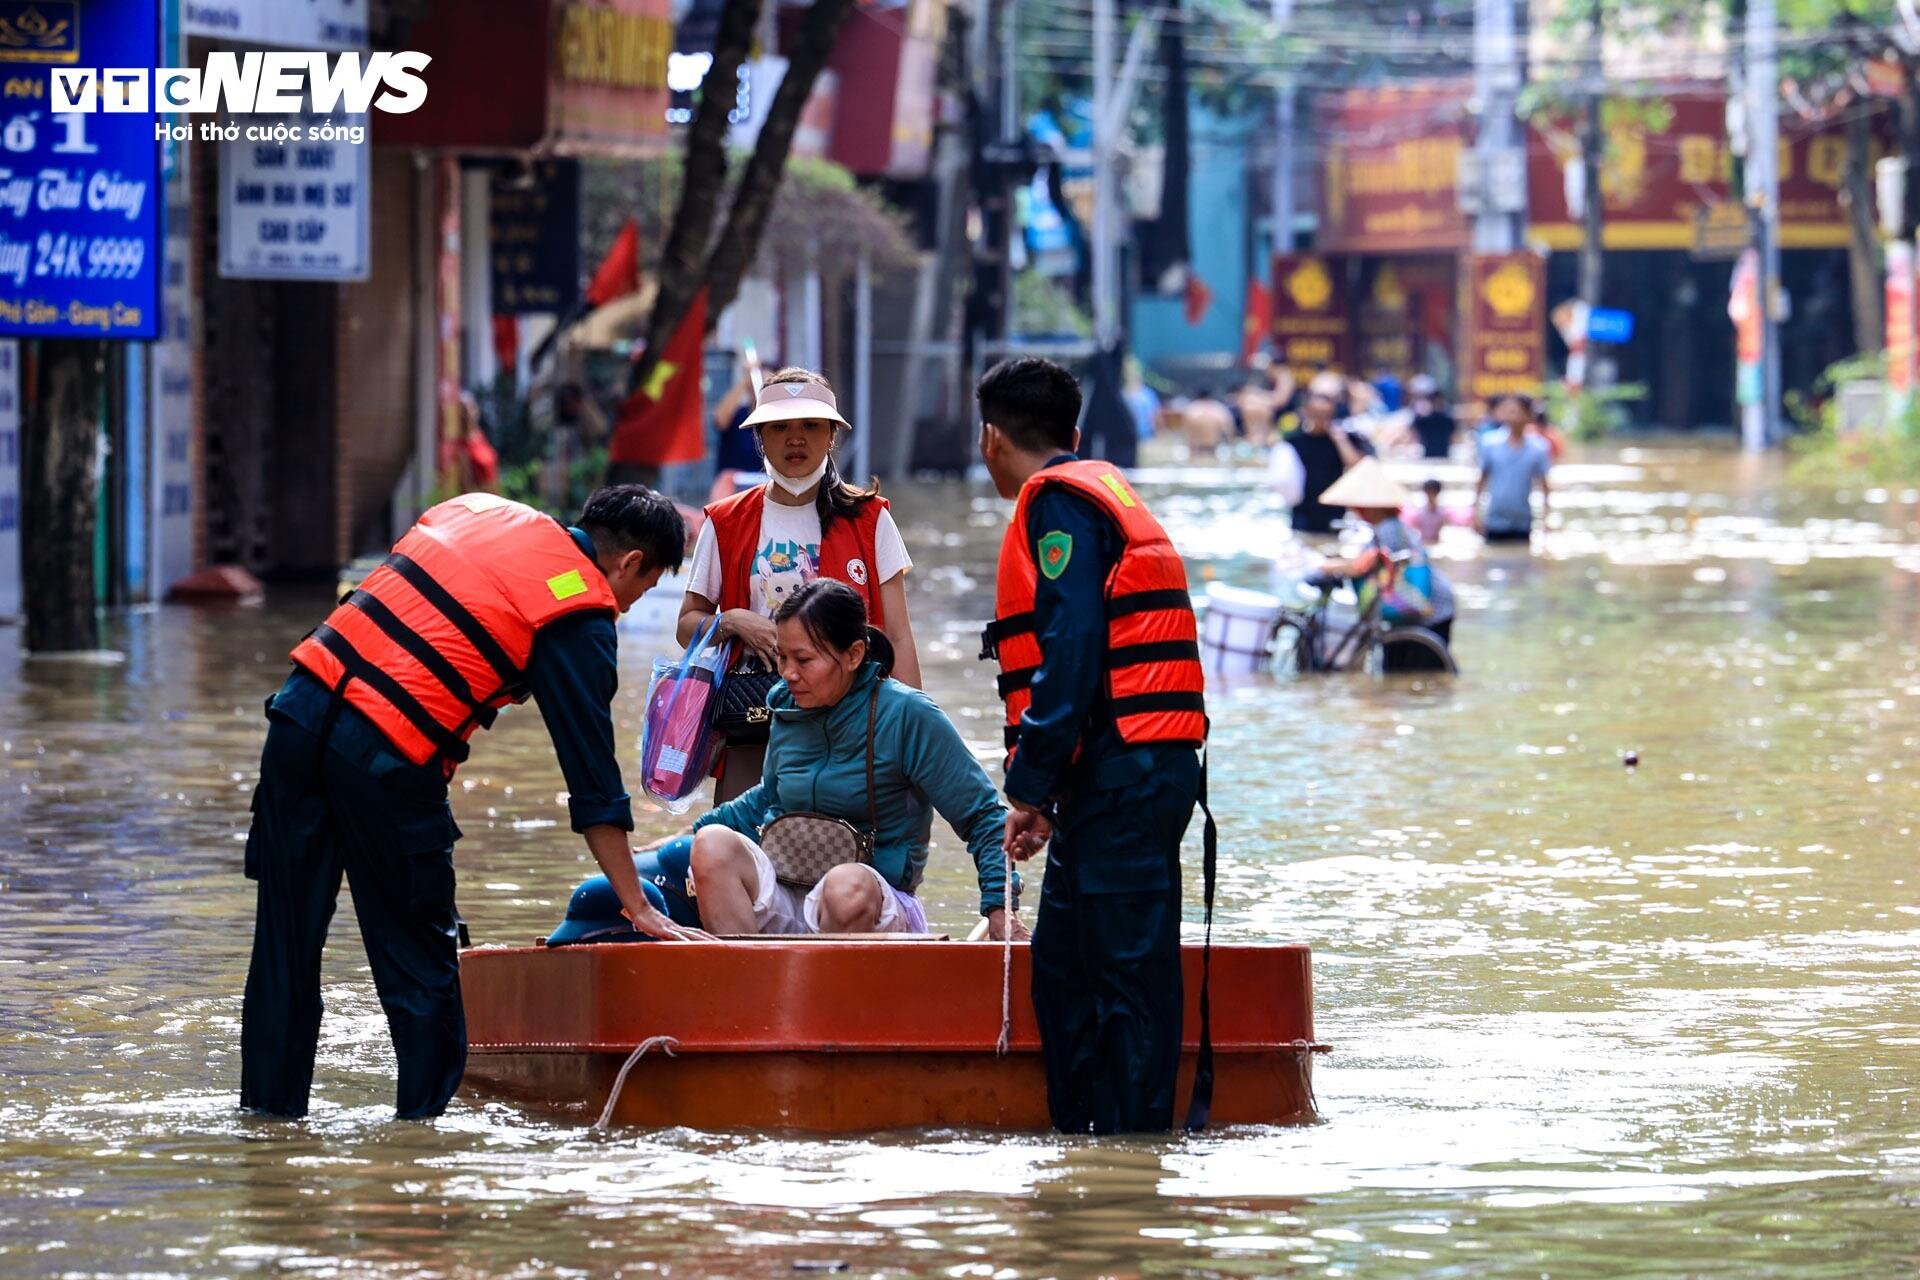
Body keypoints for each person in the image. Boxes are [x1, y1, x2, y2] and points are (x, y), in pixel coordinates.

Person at [239, 487, 709, 1121]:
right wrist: (637, 905)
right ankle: (424, 1154)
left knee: (284, 951)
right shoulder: (577, 611)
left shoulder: (480, 509)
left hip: (296, 719)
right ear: (627, 563)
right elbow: (593, 782)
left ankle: (268, 1137)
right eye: (643, 588)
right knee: (420, 967)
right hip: (386, 756)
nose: (628, 607)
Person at [974, 357, 1209, 1135]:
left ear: (991, 439)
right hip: (1114, 778)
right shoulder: (1098, 494)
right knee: (1065, 968)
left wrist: (1028, 786)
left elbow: (1070, 652)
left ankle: (1135, 1167)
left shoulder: (1061, 508)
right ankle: (1084, 1148)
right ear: (1073, 433)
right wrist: (1047, 798)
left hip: (1127, 777)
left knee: (1127, 977)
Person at [684, 580, 1019, 939]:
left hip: (872, 903)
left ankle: (833, 991)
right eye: (782, 657)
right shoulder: (786, 704)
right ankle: (748, 987)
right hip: (787, 888)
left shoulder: (908, 714)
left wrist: (999, 909)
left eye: (804, 660)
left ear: (854, 655)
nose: (787, 673)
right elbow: (770, 798)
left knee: (844, 886)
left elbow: (983, 816)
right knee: (711, 844)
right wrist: (689, 835)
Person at [678, 367, 923, 802]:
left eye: (810, 425)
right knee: (736, 848)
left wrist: (915, 734)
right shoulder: (724, 521)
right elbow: (687, 627)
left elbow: (899, 636)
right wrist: (733, 621)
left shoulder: (871, 519)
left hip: (852, 718)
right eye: (780, 427)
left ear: (831, 435)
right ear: (760, 438)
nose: (796, 438)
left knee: (843, 851)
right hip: (753, 715)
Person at [1317, 458, 1456, 671]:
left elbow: (1362, 564)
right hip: (1435, 606)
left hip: (1431, 609)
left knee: (1417, 672)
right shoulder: (1392, 527)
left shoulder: (1389, 528)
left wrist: (1328, 567)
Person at [1268, 370, 1377, 534]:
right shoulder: (1293, 442)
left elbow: (1363, 472)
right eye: (1315, 397)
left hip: (1336, 524)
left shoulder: (1349, 438)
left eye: (1327, 399)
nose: (1320, 405)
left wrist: (1339, 439)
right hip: (1302, 523)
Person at [1475, 393, 1553, 545]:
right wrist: (1476, 514)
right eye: (1509, 410)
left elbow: (1544, 485)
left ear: (1528, 415)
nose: (1512, 415)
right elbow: (1481, 480)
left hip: (1523, 521)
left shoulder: (1539, 447)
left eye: (1516, 411)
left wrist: (1546, 518)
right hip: (1494, 520)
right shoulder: (1489, 443)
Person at [1408, 375, 1457, 460]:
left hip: (1431, 457)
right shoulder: (1447, 419)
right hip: (1442, 457)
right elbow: (1453, 438)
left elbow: (1414, 434)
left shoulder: (1424, 419)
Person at [1409, 477, 1447, 544]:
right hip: (1423, 543)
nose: (1431, 495)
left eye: (1433, 492)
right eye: (1429, 492)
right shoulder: (1420, 512)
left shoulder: (1442, 512)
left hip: (1436, 543)